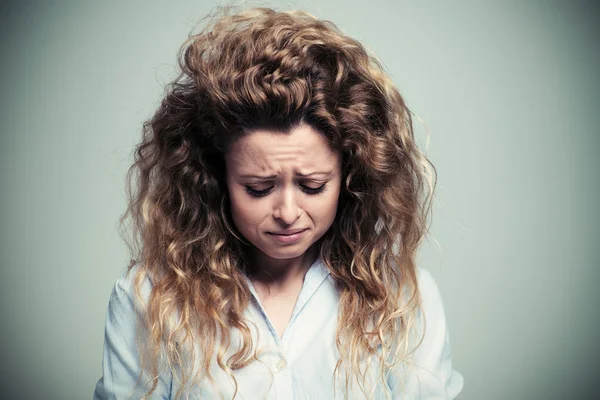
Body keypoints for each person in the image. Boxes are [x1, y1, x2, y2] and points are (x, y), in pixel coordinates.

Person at [94, 6, 463, 400]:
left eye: (313, 185)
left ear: (350, 178)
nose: (288, 213)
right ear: (216, 179)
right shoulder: (150, 299)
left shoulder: (403, 298)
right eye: (258, 188)